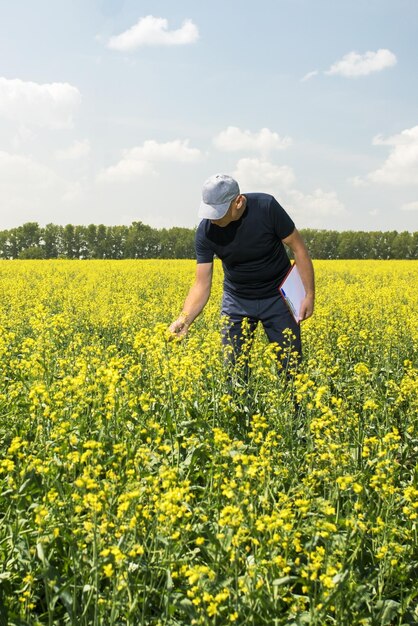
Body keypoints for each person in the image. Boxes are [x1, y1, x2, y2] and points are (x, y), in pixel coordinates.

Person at [169, 173, 314, 377]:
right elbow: (201, 284)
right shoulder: (205, 231)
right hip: (236, 300)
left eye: (218, 212)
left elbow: (299, 249)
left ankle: (295, 409)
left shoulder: (266, 207)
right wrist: (184, 320)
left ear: (237, 201)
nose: (213, 218)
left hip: (278, 297)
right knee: (234, 372)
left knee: (291, 369)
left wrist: (308, 295)